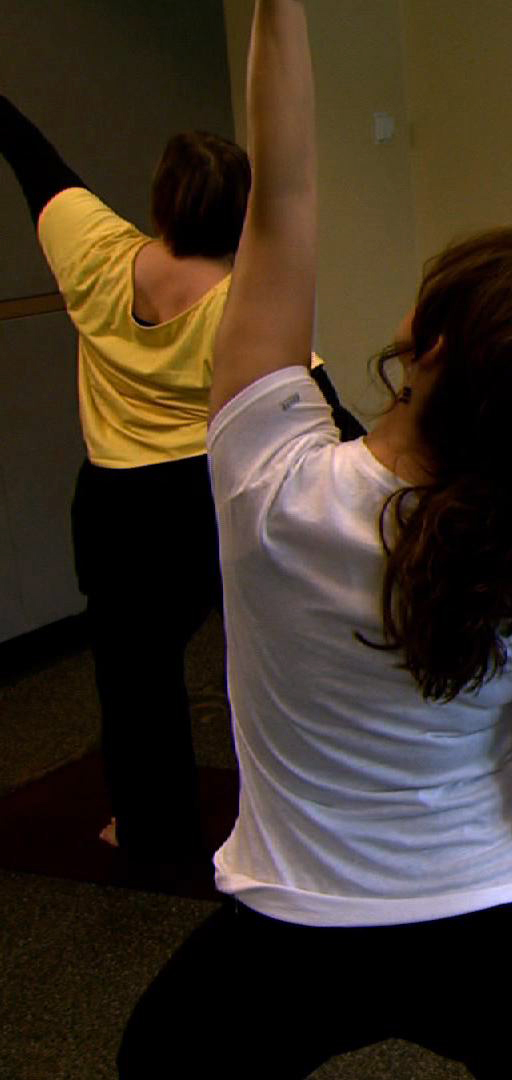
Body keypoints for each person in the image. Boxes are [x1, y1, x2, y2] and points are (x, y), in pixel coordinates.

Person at [116, 3, 512, 1077]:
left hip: (289, 929)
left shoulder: (267, 479)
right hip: (487, 920)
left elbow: (280, 205)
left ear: (424, 345)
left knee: (158, 1061)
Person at [1, 80, 361, 876]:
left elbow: (37, 162)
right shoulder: (243, 305)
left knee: (133, 673)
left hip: (113, 506)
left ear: (161, 205)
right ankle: (305, 816)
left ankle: (146, 825)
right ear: (243, 216)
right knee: (273, 647)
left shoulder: (96, 255)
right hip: (207, 502)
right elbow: (331, 411)